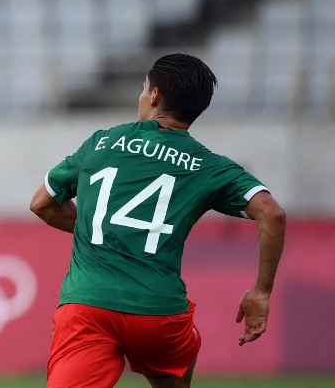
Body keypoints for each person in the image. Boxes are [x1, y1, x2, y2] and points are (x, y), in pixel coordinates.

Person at [30, 53, 286, 388]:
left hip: (87, 305)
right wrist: (262, 291)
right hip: (158, 312)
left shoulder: (102, 143)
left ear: (155, 96)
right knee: (178, 359)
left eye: (142, 88)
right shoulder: (208, 165)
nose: (141, 96)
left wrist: (104, 230)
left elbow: (42, 204)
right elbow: (271, 212)